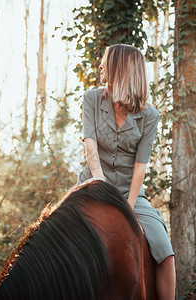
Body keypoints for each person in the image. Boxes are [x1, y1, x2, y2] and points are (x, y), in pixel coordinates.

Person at [77, 44, 175, 299]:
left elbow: (140, 166)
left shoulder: (150, 115)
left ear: (120, 69)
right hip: (91, 187)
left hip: (130, 193)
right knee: (54, 235)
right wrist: (97, 183)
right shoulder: (91, 99)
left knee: (165, 251)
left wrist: (128, 207)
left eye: (105, 62)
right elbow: (91, 147)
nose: (99, 67)